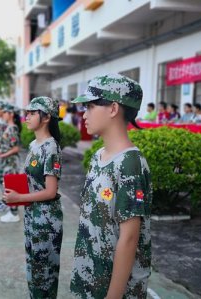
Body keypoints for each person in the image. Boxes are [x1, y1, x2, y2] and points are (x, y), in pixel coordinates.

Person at [70, 73, 152, 298]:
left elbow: (129, 237)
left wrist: (113, 295)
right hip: (90, 275)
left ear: (113, 109)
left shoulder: (130, 163)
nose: (83, 114)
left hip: (114, 288)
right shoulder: (98, 156)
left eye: (90, 106)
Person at [3, 96, 63, 298]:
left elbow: (50, 191)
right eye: (26, 113)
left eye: (31, 113)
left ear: (46, 117)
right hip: (33, 216)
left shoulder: (50, 147)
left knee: (44, 274)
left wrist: (19, 197)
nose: (26, 117)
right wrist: (15, 191)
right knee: (34, 270)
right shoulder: (34, 145)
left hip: (46, 220)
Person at [0, 103, 22, 223]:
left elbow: (16, 148)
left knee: (11, 187)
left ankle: (14, 213)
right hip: (7, 162)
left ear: (11, 114)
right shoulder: (8, 127)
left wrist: (3, 154)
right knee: (7, 186)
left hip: (11, 163)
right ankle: (11, 211)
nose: (3, 115)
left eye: (5, 113)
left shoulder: (12, 128)